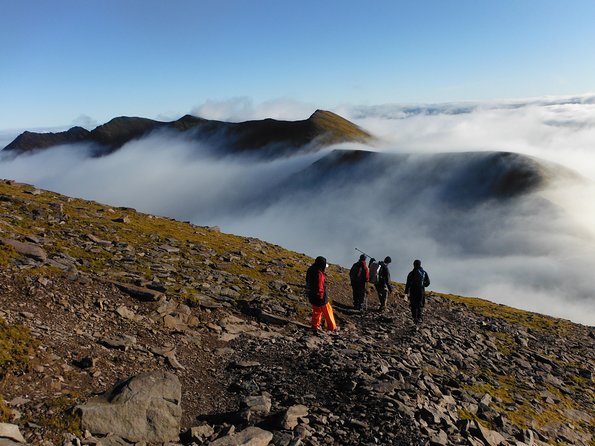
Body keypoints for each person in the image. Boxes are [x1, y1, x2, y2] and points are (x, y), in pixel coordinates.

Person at [306, 256, 337, 332]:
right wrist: (321, 296)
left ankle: (315, 325)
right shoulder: (319, 273)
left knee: (317, 311)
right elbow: (320, 286)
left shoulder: (310, 269)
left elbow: (308, 281)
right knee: (328, 310)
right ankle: (332, 328)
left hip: (312, 294)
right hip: (320, 296)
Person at [405, 259, 431, 324]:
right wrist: (423, 285)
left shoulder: (411, 273)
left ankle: (414, 318)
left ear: (414, 265)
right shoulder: (424, 273)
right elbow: (428, 282)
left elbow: (408, 283)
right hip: (421, 290)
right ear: (420, 264)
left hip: (413, 290)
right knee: (420, 304)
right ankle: (419, 318)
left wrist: (406, 292)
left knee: (413, 304)